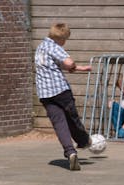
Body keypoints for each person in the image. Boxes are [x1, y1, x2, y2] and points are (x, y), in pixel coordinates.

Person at [34, 23, 92, 171]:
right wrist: (73, 65)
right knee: (72, 118)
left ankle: (70, 152)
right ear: (62, 38)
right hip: (60, 90)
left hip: (45, 94)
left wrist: (79, 68)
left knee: (59, 123)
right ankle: (84, 141)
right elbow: (68, 62)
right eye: (65, 39)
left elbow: (54, 65)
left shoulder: (40, 47)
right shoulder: (54, 46)